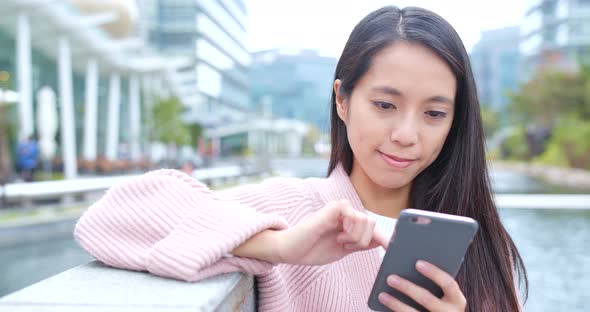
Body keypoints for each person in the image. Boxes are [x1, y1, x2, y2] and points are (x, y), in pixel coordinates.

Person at [74, 6, 528, 311]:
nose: (406, 135)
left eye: (433, 113)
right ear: (342, 101)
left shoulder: (480, 246)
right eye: (385, 105)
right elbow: (109, 218)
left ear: (455, 123)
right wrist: (278, 247)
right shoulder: (291, 212)